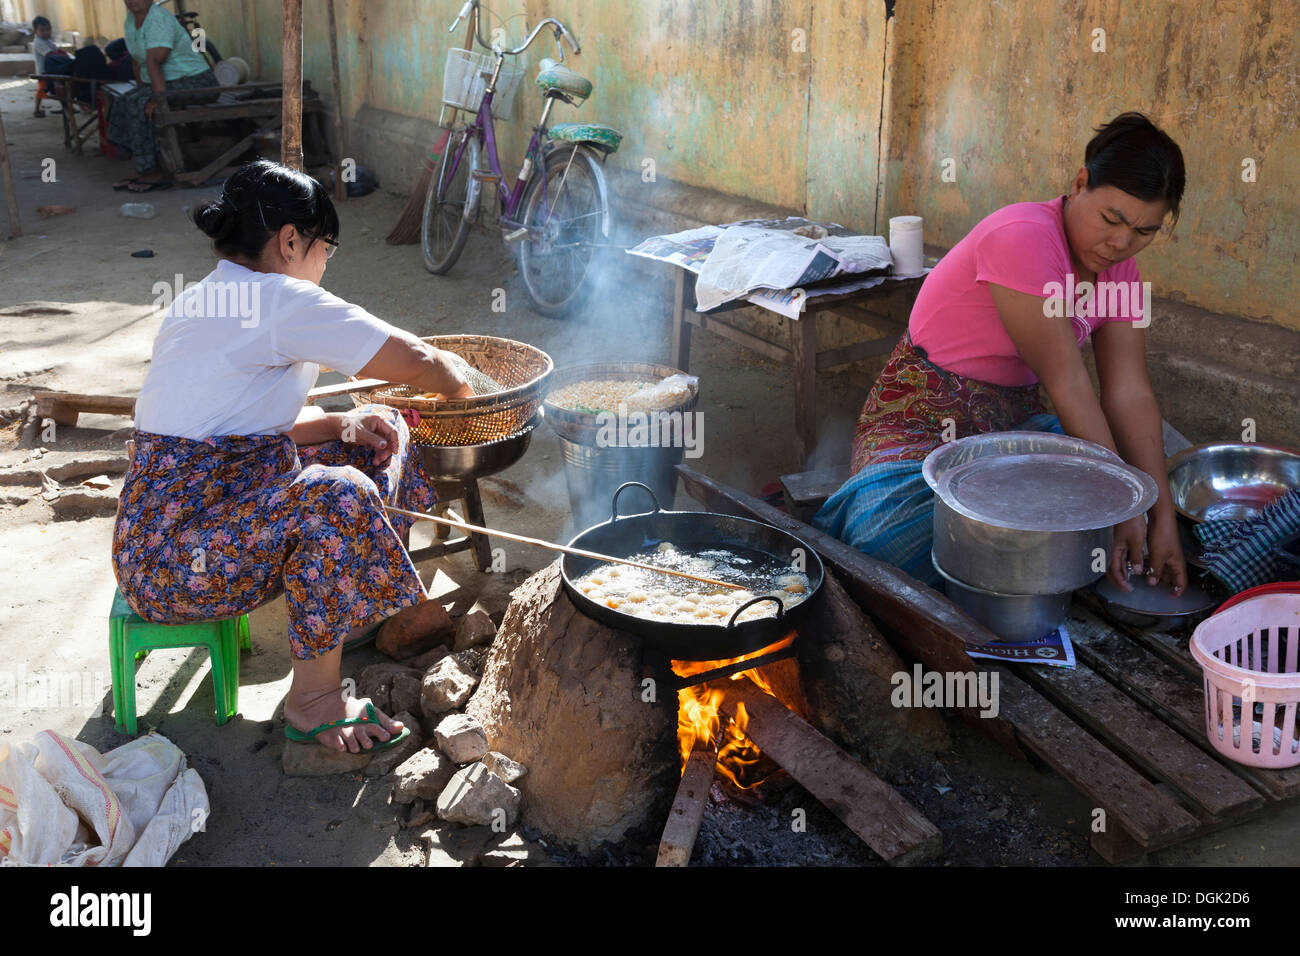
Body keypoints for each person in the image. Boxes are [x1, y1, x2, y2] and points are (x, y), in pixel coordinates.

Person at [112, 160, 475, 753]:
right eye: (324, 248)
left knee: (374, 436)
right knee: (339, 493)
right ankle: (314, 701)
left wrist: (343, 421)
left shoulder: (201, 301)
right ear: (289, 241)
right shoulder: (279, 299)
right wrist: (467, 384)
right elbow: (418, 361)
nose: (325, 263)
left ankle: (342, 605)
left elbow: (246, 425)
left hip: (168, 539)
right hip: (179, 564)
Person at [815, 112, 1189, 597]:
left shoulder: (1123, 273)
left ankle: (1081, 542)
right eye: (1111, 219)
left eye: (1144, 231)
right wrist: (1125, 503)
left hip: (1016, 426)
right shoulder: (1023, 237)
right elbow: (1070, 385)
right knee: (886, 543)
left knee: (1169, 467)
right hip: (920, 422)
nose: (1121, 243)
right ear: (1079, 185)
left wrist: (1158, 516)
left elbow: (1129, 393)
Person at [107, 0, 218, 193]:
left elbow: (153, 63)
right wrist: (143, 90)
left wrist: (158, 101)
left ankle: (152, 172)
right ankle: (138, 165)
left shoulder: (158, 18)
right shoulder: (131, 20)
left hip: (197, 82)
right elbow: (136, 61)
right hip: (167, 82)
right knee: (124, 102)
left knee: (139, 104)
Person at [31, 16, 58, 117]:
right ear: (35, 31)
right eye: (42, 30)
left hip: (51, 70)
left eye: (48, 29)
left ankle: (67, 106)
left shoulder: (47, 40)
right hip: (43, 72)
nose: (46, 32)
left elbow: (56, 49)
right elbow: (50, 54)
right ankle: (36, 110)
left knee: (60, 90)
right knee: (41, 90)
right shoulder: (38, 42)